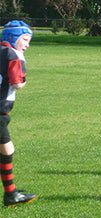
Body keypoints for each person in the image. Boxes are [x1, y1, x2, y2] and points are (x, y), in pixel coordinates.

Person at [0, 20, 36, 207]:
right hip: (0, 110)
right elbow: (17, 84)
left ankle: (10, 191)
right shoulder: (14, 55)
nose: (27, 45)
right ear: (13, 38)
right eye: (25, 39)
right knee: (7, 149)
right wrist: (24, 81)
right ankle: (10, 194)